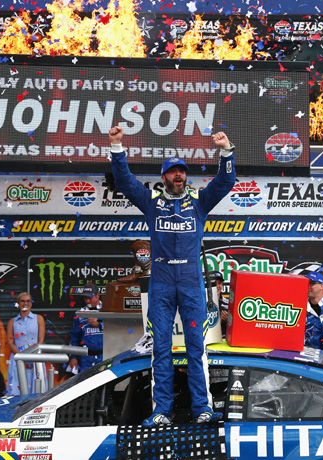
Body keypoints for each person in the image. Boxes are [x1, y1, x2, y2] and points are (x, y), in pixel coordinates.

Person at [109, 125, 235, 426]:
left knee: (196, 349)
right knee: (161, 349)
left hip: (191, 286)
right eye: (173, 172)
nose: (179, 176)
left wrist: (226, 151)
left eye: (182, 172)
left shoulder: (199, 202)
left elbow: (225, 181)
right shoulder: (153, 202)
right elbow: (125, 182)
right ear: (164, 176)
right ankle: (161, 411)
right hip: (162, 286)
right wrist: (116, 146)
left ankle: (203, 409)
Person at [6, 292, 45, 396]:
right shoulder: (12, 322)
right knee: (17, 386)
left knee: (37, 388)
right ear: (18, 303)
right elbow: (10, 343)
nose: (25, 303)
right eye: (22, 301)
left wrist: (32, 356)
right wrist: (22, 357)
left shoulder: (39, 318)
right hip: (17, 356)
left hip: (35, 355)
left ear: (31, 303)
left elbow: (41, 340)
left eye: (28, 301)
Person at [68, 285, 103, 373]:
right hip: (86, 359)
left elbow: (117, 329)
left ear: (97, 295)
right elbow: (75, 337)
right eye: (85, 298)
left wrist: (100, 324)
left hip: (106, 356)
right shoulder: (79, 314)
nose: (87, 301)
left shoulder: (108, 310)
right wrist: (73, 357)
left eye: (90, 297)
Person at [303, 271, 323, 347]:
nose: (308, 286)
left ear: (322, 286)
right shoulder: (300, 307)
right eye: (307, 283)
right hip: (307, 353)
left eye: (312, 283)